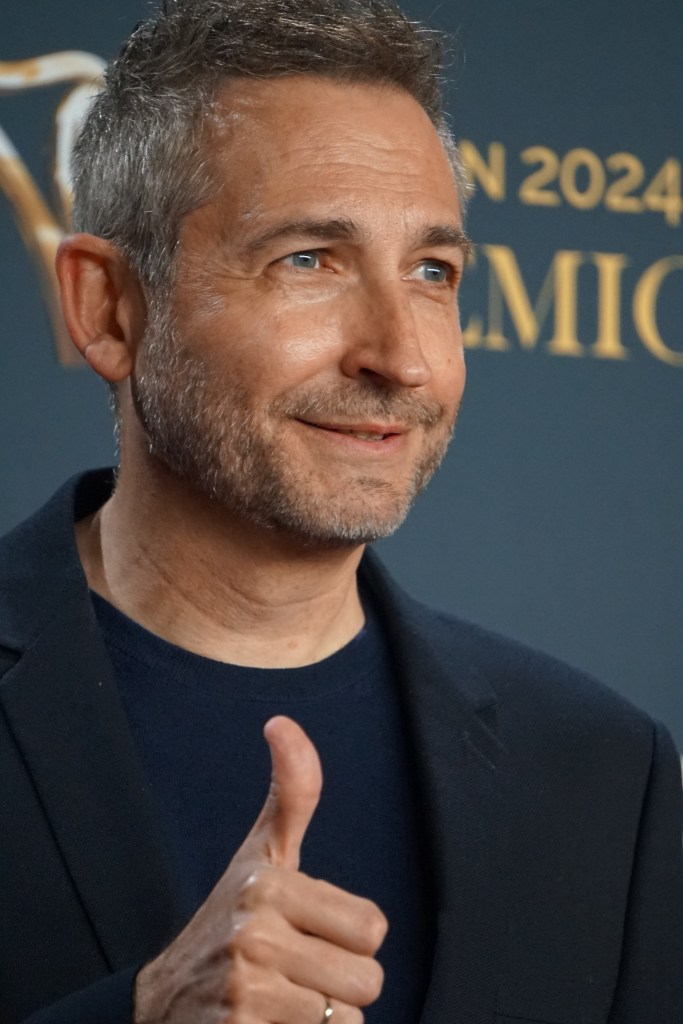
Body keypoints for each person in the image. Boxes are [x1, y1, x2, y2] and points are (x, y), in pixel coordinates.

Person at [1, 0, 681, 1021]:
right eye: (308, 260)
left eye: (431, 272)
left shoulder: (603, 772)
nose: (399, 357)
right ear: (108, 307)